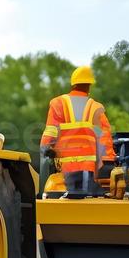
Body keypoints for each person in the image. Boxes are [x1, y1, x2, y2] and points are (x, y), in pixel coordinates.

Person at [41, 66, 116, 195]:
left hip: (67, 169)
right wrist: (108, 163)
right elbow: (103, 139)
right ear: (89, 86)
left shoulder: (58, 103)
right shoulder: (96, 108)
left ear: (73, 85)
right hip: (90, 170)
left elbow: (50, 133)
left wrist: (46, 148)